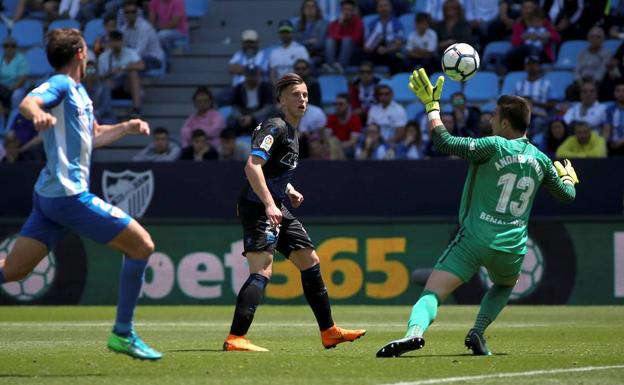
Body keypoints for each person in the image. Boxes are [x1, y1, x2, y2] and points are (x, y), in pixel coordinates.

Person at [376, 68, 577, 358]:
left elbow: (443, 141)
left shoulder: (493, 146)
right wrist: (569, 178)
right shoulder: (542, 160)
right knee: (505, 284)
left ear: (506, 123)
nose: (490, 119)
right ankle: (478, 331)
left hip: (474, 239)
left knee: (433, 292)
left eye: (494, 116)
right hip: (511, 246)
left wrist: (432, 108)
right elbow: (566, 196)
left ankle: (414, 333)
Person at [0, 28, 161, 360]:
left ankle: (124, 334)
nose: (90, 54)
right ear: (79, 54)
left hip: (50, 198)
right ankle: (123, 334)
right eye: (88, 50)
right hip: (68, 196)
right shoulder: (60, 84)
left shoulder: (79, 93)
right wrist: (37, 113)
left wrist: (127, 128)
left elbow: (95, 134)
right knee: (142, 246)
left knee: (13, 271)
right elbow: (31, 100)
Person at [223, 73, 366, 352]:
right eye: (295, 95)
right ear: (281, 100)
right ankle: (235, 338)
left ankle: (329, 332)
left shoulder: (292, 131)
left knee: (309, 260)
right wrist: (269, 204)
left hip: (277, 204)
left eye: (304, 95)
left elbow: (272, 169)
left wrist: (287, 189)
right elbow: (252, 167)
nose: (302, 99)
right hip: (258, 206)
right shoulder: (275, 127)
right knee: (262, 270)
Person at [97, 30, 145, 116]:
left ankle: (136, 108)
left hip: (126, 85)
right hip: (111, 85)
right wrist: (109, 74)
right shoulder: (103, 57)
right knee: (105, 84)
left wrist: (123, 68)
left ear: (122, 42)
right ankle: (104, 112)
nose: (116, 44)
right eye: (113, 41)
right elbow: (100, 76)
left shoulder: (130, 52)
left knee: (133, 73)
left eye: (118, 41)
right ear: (109, 43)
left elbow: (141, 65)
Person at [121, 0, 165, 71]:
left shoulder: (144, 27)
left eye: (133, 12)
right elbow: (123, 48)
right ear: (123, 13)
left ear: (137, 12)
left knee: (131, 66)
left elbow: (140, 50)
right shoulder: (123, 29)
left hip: (153, 58)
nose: (130, 14)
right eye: (127, 12)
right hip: (136, 58)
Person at [324, 0, 364, 73]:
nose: (347, 12)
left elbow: (356, 39)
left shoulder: (358, 21)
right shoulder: (336, 22)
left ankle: (341, 66)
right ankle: (331, 66)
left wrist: (341, 38)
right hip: (338, 49)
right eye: (345, 9)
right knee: (329, 40)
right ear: (341, 11)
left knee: (347, 40)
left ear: (353, 11)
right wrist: (340, 25)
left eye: (349, 10)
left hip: (354, 49)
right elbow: (331, 36)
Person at [0, 36, 29, 115]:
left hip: (17, 87)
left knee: (16, 95)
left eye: (12, 46)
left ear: (16, 47)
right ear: (3, 47)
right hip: (2, 87)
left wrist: (12, 88)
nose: (9, 48)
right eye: (6, 46)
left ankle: (13, 116)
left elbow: (23, 78)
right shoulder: (0, 58)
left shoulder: (21, 59)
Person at [294, 0, 328, 66]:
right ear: (303, 10)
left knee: (307, 64)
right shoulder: (298, 24)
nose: (310, 9)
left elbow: (319, 44)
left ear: (316, 9)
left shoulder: (323, 24)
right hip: (299, 54)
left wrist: (303, 42)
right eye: (307, 7)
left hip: (316, 55)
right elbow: (295, 43)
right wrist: (309, 41)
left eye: (312, 7)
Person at [603, 82, 624, 156]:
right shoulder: (610, 110)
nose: (621, 93)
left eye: (623, 91)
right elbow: (607, 130)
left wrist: (622, 141)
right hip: (614, 145)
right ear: (614, 93)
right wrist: (604, 145)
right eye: (618, 91)